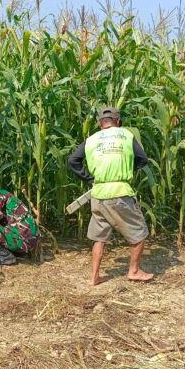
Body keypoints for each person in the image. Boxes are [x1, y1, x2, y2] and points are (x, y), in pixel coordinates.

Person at [68, 107, 153, 284]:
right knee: (139, 233)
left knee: (100, 237)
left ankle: (94, 277)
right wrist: (128, 168)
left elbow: (73, 161)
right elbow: (143, 159)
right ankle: (134, 271)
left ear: (100, 124)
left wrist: (90, 178)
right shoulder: (126, 135)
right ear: (118, 122)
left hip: (98, 195)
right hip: (120, 193)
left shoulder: (91, 139)